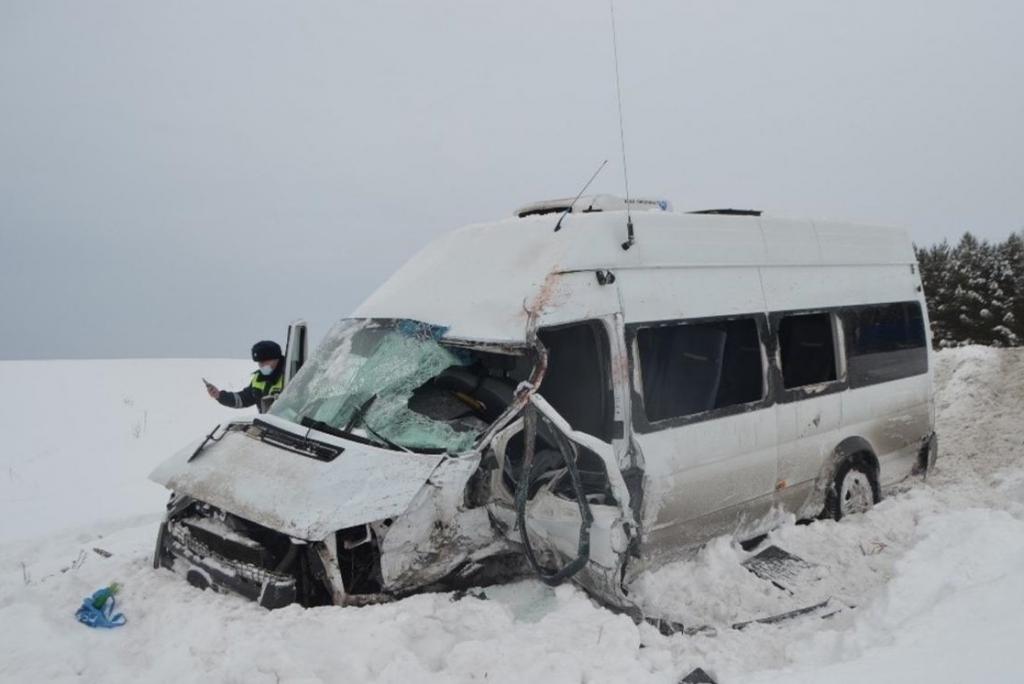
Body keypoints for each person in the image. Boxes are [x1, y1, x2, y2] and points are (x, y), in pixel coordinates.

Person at [206, 340, 285, 412]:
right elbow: (242, 399)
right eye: (260, 363)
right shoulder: (258, 379)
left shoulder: (290, 375)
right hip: (269, 424)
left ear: (276, 358)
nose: (262, 366)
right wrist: (219, 395)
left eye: (265, 362)